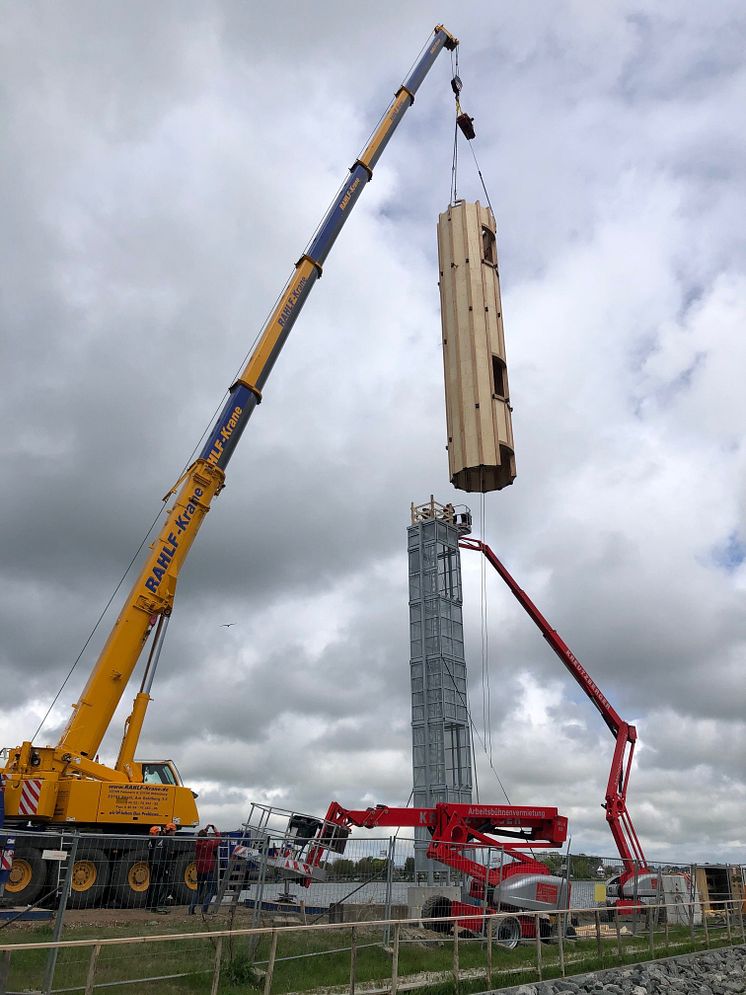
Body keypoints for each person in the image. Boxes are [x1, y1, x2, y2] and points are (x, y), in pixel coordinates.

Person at [189, 824, 221, 915]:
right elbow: (219, 840)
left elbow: (201, 835)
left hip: (199, 869)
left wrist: (206, 829)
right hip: (209, 869)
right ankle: (204, 909)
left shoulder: (197, 843)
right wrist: (215, 830)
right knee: (211, 890)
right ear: (206, 836)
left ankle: (191, 908)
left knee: (199, 889)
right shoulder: (209, 844)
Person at [147, 823, 176, 913]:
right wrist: (167, 868)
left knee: (154, 885)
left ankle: (151, 905)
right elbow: (168, 854)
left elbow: (152, 854)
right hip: (162, 865)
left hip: (155, 864)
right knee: (165, 886)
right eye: (174, 830)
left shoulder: (155, 840)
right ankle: (160, 905)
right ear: (170, 830)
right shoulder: (168, 840)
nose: (175, 832)